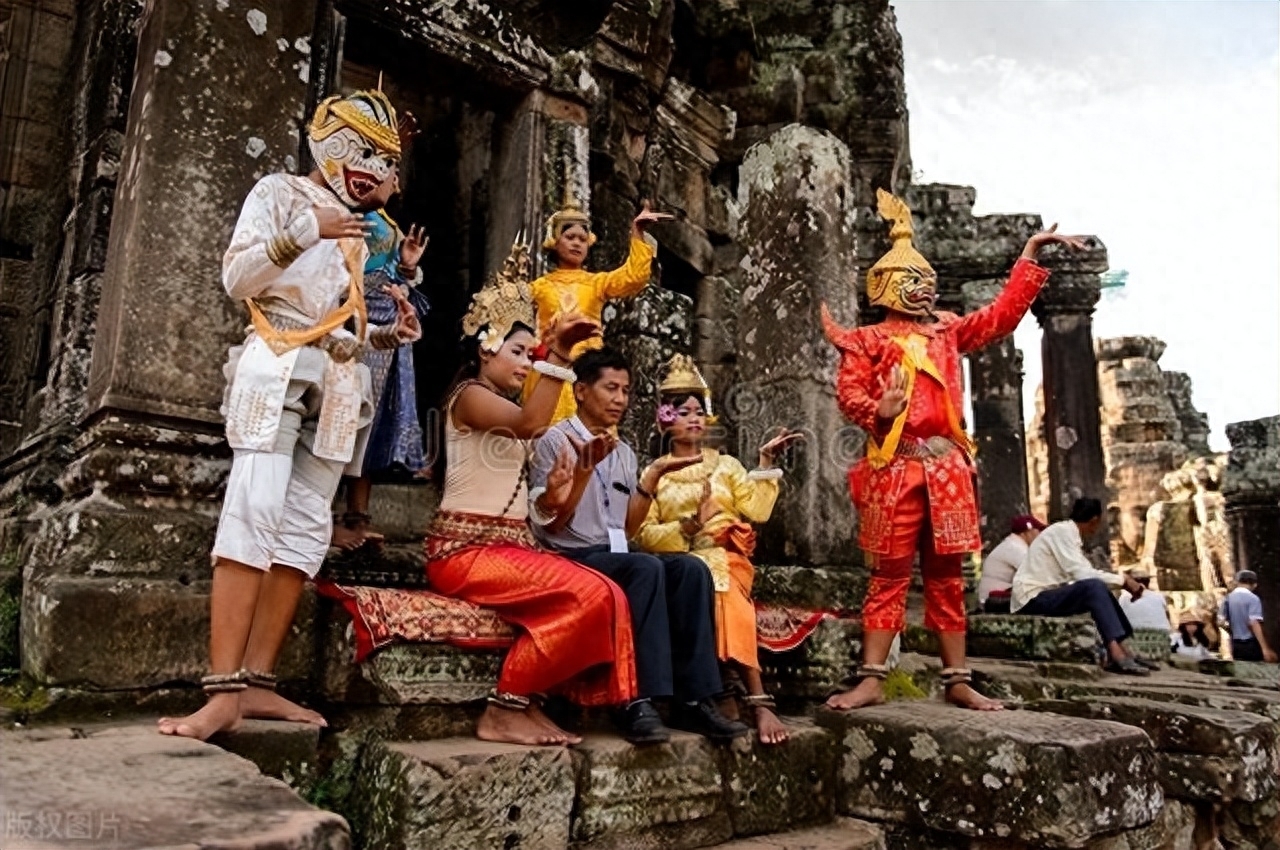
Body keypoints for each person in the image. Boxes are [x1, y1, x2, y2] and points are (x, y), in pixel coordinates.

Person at [159, 90, 423, 740]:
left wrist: (389, 337)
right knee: (255, 505)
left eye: (385, 162)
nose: (374, 171)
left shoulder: (363, 228)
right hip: (277, 361)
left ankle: (258, 683)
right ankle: (221, 691)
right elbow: (238, 279)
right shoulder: (278, 192)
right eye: (363, 150)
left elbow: (343, 316)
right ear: (328, 138)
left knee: (305, 529)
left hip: (339, 379)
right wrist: (308, 229)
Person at [823, 189, 1085, 711]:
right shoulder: (866, 341)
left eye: (929, 282)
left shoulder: (946, 330)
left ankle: (957, 679)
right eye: (913, 282)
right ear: (886, 287)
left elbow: (999, 319)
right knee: (889, 575)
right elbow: (850, 395)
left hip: (946, 468)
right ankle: (872, 677)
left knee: (946, 577)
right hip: (895, 467)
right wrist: (883, 409)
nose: (925, 291)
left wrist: (1028, 258)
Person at [425, 243, 639, 746]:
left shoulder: (501, 407)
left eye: (531, 354)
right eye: (518, 352)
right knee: (592, 594)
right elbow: (532, 421)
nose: (526, 364)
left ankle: (529, 701)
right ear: (484, 349)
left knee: (606, 593)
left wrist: (565, 488)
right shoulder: (469, 397)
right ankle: (505, 707)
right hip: (464, 552)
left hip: (511, 547)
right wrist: (559, 354)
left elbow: (547, 511)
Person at [529, 347, 750, 745]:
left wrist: (649, 481)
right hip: (568, 553)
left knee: (690, 569)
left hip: (615, 552)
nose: (620, 399)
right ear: (580, 391)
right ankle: (635, 698)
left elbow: (627, 526)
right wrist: (579, 475)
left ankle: (695, 699)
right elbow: (551, 522)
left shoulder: (624, 452)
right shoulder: (554, 441)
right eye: (610, 388)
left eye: (626, 390)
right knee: (644, 568)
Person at [634, 355, 804, 745]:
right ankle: (725, 693)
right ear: (664, 419)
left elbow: (756, 509)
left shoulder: (726, 465)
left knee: (725, 590)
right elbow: (644, 534)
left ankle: (753, 699)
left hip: (727, 558)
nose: (693, 418)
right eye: (682, 411)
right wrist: (691, 524)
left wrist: (764, 463)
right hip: (683, 563)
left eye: (698, 410)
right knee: (704, 583)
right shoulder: (654, 473)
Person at [334, 159, 431, 549]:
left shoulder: (388, 224)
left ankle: (358, 516)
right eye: (384, 167)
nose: (393, 176)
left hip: (387, 324)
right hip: (348, 317)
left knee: (370, 421)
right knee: (338, 414)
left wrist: (406, 269)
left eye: (392, 169)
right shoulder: (343, 214)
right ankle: (324, 519)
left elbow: (389, 271)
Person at [521, 190, 671, 422]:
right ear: (554, 241)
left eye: (582, 240)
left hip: (588, 369)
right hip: (548, 367)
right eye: (570, 237)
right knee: (545, 433)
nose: (577, 244)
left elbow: (633, 278)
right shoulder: (538, 287)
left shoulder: (596, 283)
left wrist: (637, 232)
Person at [1011, 498, 1156, 675]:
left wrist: (1121, 582)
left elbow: (1083, 572)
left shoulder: (1068, 534)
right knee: (1093, 587)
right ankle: (1115, 653)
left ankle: (1125, 649)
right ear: (1094, 520)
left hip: (1046, 595)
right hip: (1032, 598)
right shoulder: (1061, 533)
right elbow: (1083, 575)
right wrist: (1123, 581)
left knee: (1098, 588)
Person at [977, 515, 1045, 613]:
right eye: (1038, 531)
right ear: (1027, 532)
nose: (1040, 535)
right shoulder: (1015, 548)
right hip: (995, 600)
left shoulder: (1012, 545)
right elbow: (1037, 573)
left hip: (995, 599)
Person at [1219, 571, 1277, 663]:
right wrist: (1265, 648)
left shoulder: (1228, 598)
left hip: (1236, 644)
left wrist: (1232, 630)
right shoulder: (1253, 598)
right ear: (1254, 585)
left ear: (1237, 582)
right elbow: (1253, 622)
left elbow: (1221, 621)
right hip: (1251, 643)